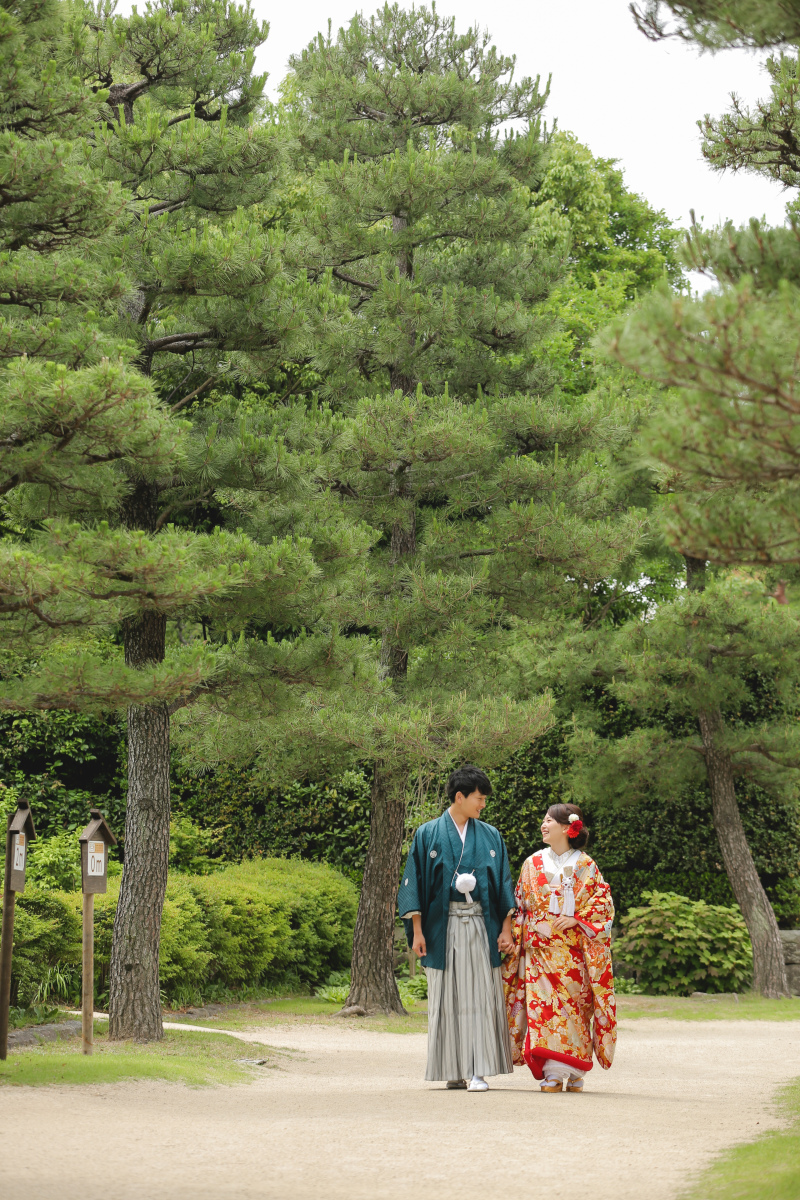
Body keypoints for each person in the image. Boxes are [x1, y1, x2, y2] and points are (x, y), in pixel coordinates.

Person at [399, 763, 516, 1092]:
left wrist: (505, 928)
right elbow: (414, 884)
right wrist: (418, 932)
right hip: (442, 926)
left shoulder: (491, 836)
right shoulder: (428, 834)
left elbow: (503, 883)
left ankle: (478, 1069)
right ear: (460, 796)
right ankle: (453, 1067)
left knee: (481, 996)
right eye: (479, 798)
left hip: (480, 922)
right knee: (445, 997)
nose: (483, 805)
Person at [502, 802, 616, 1093]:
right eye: (544, 820)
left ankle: (576, 1071)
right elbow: (519, 905)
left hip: (573, 955)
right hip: (539, 953)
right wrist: (519, 931)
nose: (544, 824)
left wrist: (577, 918)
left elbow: (602, 904)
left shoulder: (586, 865)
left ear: (567, 828)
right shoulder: (531, 864)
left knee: (575, 1012)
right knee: (542, 1012)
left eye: (549, 820)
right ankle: (552, 1073)